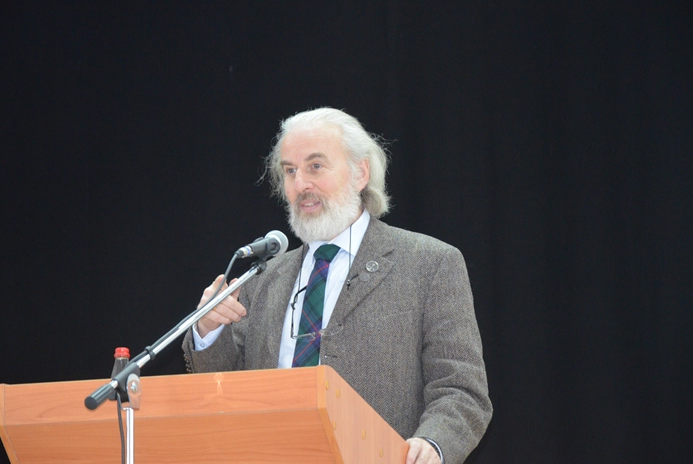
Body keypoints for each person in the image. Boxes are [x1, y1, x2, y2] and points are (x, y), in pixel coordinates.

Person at [182, 107, 492, 464]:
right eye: (290, 171)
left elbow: (461, 390)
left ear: (361, 173)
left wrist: (433, 444)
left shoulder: (429, 264)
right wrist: (209, 329)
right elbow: (223, 391)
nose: (301, 184)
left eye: (315, 166)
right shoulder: (262, 277)